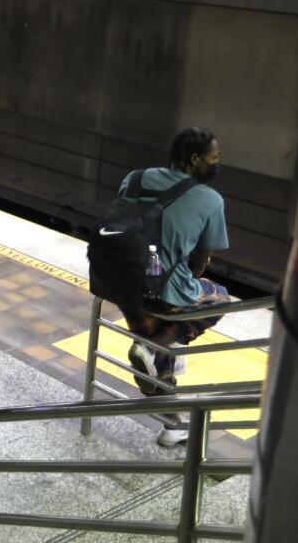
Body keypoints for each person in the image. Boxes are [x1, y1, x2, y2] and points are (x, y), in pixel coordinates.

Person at [119, 126, 231, 446]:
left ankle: (172, 426)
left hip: (122, 280)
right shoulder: (210, 199)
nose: (217, 164)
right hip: (162, 287)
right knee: (221, 297)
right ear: (195, 159)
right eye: (214, 158)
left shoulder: (135, 178)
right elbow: (199, 263)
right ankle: (157, 342)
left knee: (155, 358)